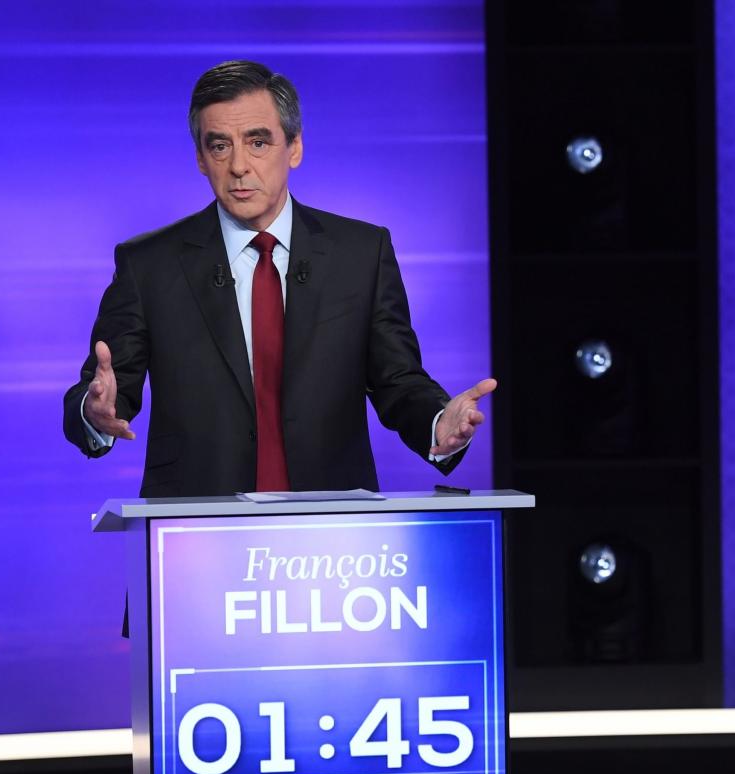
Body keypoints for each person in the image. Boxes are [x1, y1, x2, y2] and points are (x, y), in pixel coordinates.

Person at [61, 60, 494, 497]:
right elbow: (103, 388)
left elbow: (397, 380)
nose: (238, 166)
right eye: (219, 146)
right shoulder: (149, 263)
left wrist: (441, 421)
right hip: (195, 531)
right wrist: (93, 412)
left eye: (257, 142)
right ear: (200, 159)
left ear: (295, 147)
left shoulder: (361, 253)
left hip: (332, 529)